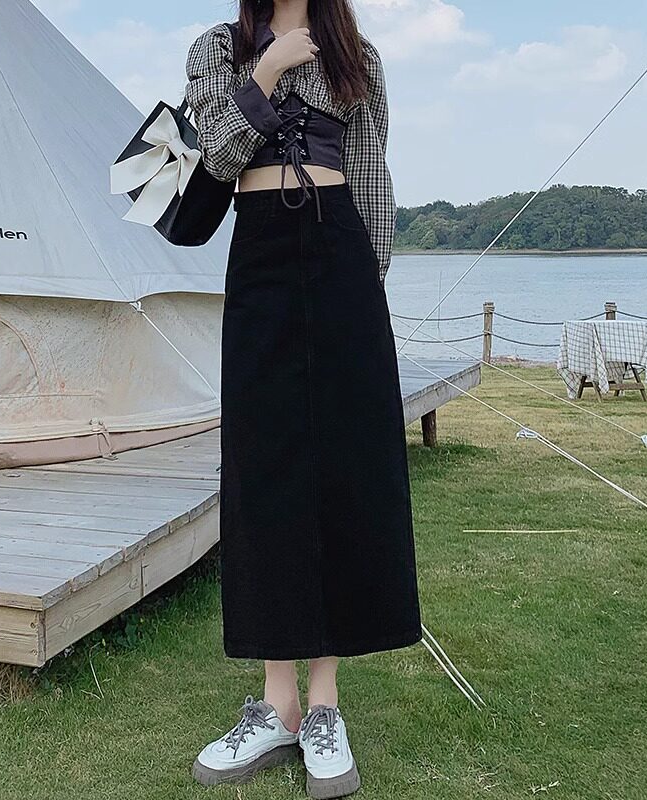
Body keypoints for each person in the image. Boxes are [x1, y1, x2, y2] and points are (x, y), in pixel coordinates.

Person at [184, 1, 422, 797]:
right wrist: (267, 69)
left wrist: (368, 283)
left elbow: (372, 174)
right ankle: (276, 703)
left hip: (340, 254)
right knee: (265, 472)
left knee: (344, 469)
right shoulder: (219, 47)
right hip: (258, 254)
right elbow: (217, 155)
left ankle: (323, 706)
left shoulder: (358, 54)